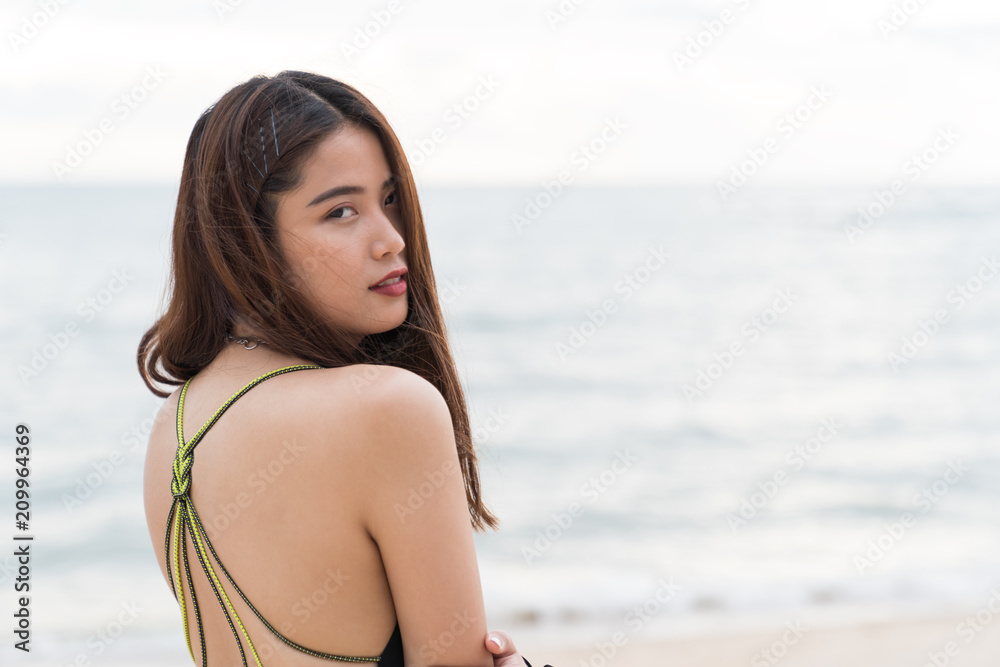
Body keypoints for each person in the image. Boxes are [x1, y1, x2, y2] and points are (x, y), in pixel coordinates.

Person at [137, 71, 549, 666]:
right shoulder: (388, 408)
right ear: (248, 243)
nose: (391, 240)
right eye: (340, 212)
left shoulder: (176, 425)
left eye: (389, 200)